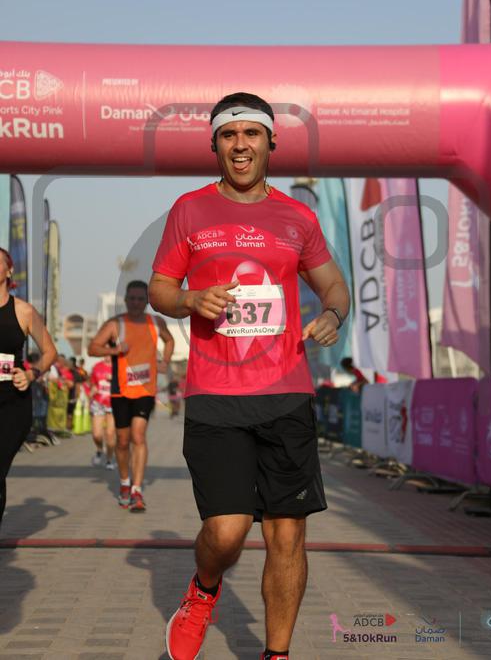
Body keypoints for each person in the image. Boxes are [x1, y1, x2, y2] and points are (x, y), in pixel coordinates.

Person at [149, 92, 350, 660]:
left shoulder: (297, 217)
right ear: (215, 145)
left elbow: (334, 286)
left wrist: (332, 315)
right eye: (229, 134)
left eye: (251, 133)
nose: (240, 144)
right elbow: (161, 288)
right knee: (227, 530)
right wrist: (190, 299)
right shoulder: (189, 210)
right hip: (215, 394)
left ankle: (276, 654)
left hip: (286, 392)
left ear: (270, 142)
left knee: (287, 533)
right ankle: (203, 589)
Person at [88, 280, 174, 512]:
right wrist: (114, 350)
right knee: (122, 440)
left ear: (147, 301)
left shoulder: (155, 322)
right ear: (125, 300)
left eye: (140, 299)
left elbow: (170, 340)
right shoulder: (115, 324)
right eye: (132, 298)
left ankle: (137, 489)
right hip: (121, 390)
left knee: (138, 435)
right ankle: (125, 482)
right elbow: (93, 348)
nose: (136, 303)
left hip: (145, 389)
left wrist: (165, 361)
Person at [0, 247, 57, 524]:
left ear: (9, 270)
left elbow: (50, 352)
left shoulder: (22, 311)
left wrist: (32, 374)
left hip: (12, 402)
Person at [89, 356, 116, 469]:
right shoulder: (97, 367)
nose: (107, 355)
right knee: (97, 434)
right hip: (98, 402)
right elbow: (93, 384)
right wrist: (93, 390)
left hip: (114, 403)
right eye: (105, 351)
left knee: (110, 434)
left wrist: (114, 379)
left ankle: (109, 460)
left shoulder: (120, 366)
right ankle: (100, 450)